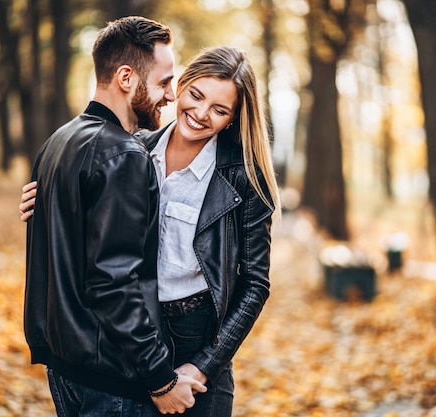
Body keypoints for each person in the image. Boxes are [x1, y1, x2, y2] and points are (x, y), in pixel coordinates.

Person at [20, 45, 281, 416]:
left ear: (234, 117)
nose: (201, 114)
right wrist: (47, 204)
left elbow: (255, 284)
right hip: (128, 332)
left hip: (196, 335)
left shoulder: (245, 178)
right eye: (195, 95)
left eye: (220, 110)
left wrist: (205, 363)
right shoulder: (133, 148)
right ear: (181, 85)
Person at [23, 16, 206, 417]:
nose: (171, 96)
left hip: (66, 367)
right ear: (126, 77)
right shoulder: (123, 155)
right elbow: (114, 282)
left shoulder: (58, 141)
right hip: (111, 380)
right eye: (163, 82)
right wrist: (161, 378)